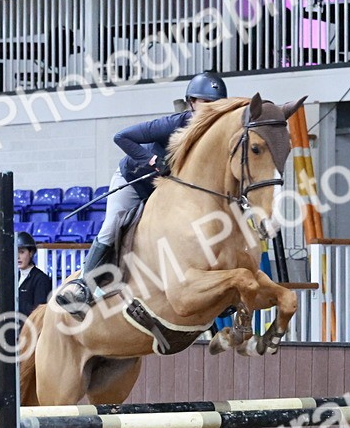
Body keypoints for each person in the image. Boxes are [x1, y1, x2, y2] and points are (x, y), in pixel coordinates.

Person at [55, 70, 228, 317]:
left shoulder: (215, 135)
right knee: (112, 223)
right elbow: (122, 137)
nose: (212, 108)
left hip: (169, 192)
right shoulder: (172, 124)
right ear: (192, 102)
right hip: (136, 181)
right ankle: (82, 285)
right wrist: (153, 160)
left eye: (216, 104)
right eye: (206, 103)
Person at [16, 230, 53, 317]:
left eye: (21, 252)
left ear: (31, 253)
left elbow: (39, 312)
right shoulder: (14, 277)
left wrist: (17, 302)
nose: (17, 257)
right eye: (15, 252)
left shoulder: (41, 279)